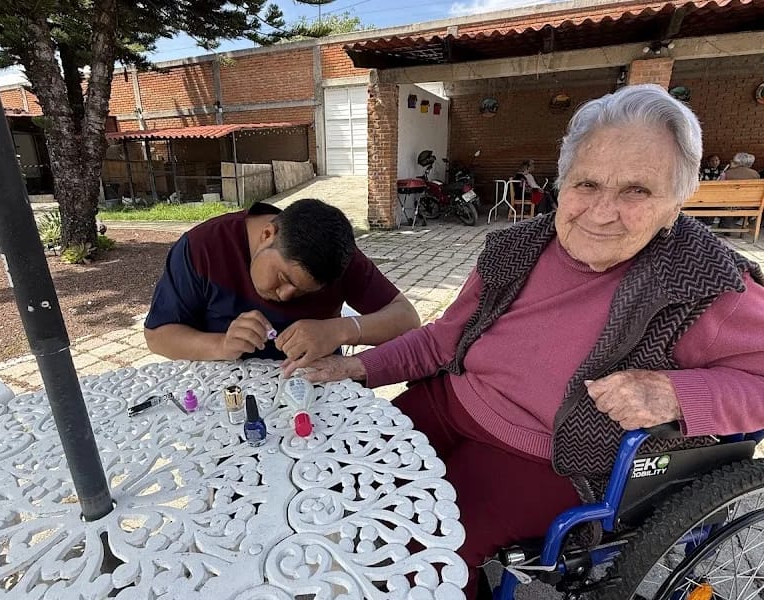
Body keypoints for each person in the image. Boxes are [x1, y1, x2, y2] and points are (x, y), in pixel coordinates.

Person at [291, 85, 764, 598]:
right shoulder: (516, 249)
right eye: (587, 183)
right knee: (335, 486)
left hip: (548, 459)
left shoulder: (706, 284)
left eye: (637, 191)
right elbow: (443, 340)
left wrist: (675, 394)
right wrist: (358, 368)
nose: (602, 212)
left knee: (413, 559)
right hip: (449, 403)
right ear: (561, 184)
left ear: (676, 204)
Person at [144, 198, 420, 368]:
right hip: (228, 395)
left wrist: (340, 330)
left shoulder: (336, 257)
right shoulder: (204, 247)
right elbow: (157, 336)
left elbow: (407, 318)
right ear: (267, 234)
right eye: (283, 279)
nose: (286, 295)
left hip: (315, 391)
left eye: (304, 292)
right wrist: (222, 345)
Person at [717, 152, 761, 228]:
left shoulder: (727, 173)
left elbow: (718, 190)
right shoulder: (756, 174)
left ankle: (723, 226)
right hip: (749, 205)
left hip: (727, 205)